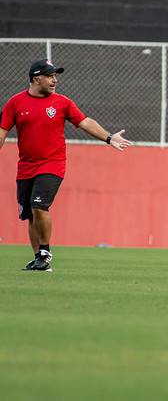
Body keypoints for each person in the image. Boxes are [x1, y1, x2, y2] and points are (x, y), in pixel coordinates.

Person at [0, 59, 132, 272]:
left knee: (39, 205)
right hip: (25, 167)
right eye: (50, 75)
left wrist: (109, 138)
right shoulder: (15, 103)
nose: (54, 80)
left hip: (52, 164)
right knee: (29, 214)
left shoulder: (62, 103)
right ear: (36, 79)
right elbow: (2, 132)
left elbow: (85, 122)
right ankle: (38, 259)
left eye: (55, 76)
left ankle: (45, 252)